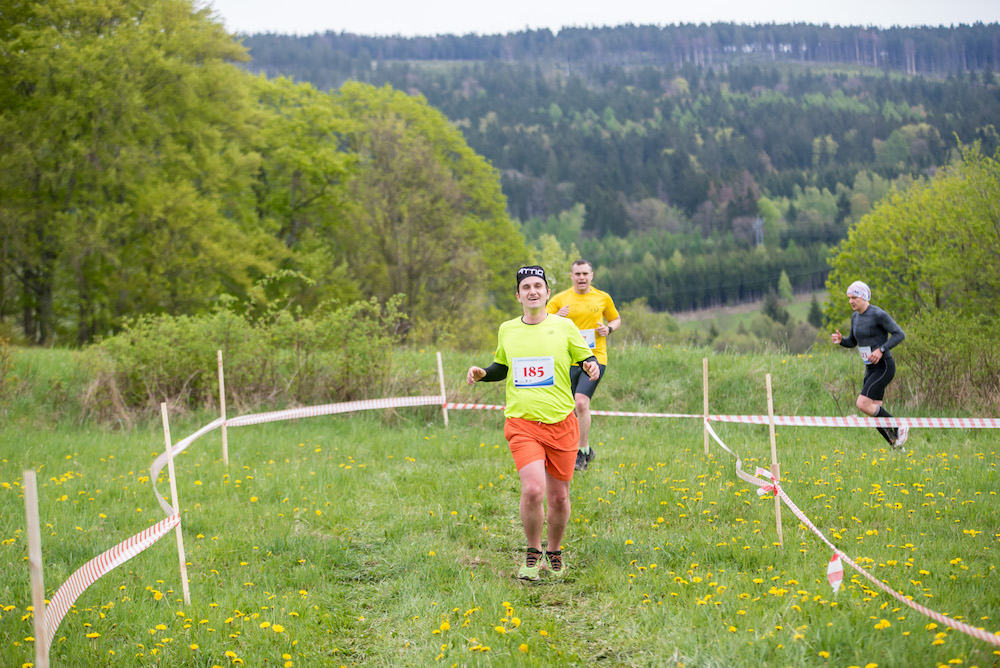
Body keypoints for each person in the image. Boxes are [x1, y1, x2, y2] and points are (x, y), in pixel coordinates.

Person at [467, 266, 600, 581]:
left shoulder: (564, 327)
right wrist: (483, 373)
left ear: (547, 293)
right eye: (526, 287)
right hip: (522, 423)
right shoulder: (508, 329)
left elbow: (586, 357)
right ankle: (532, 552)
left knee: (559, 497)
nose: (532, 291)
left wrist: (591, 366)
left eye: (538, 286)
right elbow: (502, 366)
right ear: (518, 295)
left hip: (561, 423)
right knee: (532, 490)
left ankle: (554, 551)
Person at [545, 259, 621, 471]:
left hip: (594, 357)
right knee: (568, 408)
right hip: (567, 360)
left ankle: (582, 451)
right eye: (577, 274)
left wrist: (609, 329)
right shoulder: (560, 299)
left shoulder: (602, 297)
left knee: (580, 403)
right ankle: (576, 450)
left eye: (585, 274)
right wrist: (555, 317)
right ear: (571, 276)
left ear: (591, 276)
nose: (581, 277)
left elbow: (616, 319)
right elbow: (541, 319)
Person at [831, 280, 909, 449]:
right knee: (874, 410)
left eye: (854, 297)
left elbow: (899, 334)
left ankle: (899, 425)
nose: (851, 301)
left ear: (864, 297)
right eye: (849, 298)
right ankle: (896, 447)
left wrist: (881, 349)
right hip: (870, 368)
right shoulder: (855, 317)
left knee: (862, 404)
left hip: (884, 367)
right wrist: (841, 341)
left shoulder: (878, 314)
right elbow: (853, 342)